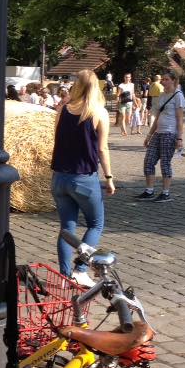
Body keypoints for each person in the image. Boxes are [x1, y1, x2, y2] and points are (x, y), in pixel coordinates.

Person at [51, 69, 115, 286]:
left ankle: (64, 275)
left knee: (67, 229)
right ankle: (80, 270)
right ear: (96, 86)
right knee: (96, 224)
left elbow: (57, 138)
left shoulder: (63, 109)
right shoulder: (99, 113)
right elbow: (102, 149)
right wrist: (109, 177)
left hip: (60, 177)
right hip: (84, 178)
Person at [137, 71, 185, 202]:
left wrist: (179, 138)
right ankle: (149, 191)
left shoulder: (178, 96)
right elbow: (158, 117)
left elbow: (180, 119)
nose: (163, 81)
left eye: (166, 79)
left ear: (173, 81)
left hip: (169, 133)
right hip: (158, 133)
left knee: (165, 163)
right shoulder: (162, 95)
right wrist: (149, 135)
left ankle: (165, 193)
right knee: (149, 161)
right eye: (162, 79)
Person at [116, 73, 134, 137]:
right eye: (126, 77)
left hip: (130, 103)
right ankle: (124, 131)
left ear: (130, 78)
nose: (127, 78)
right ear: (124, 78)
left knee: (128, 119)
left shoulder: (132, 85)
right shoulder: (121, 85)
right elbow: (118, 94)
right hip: (122, 102)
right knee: (123, 116)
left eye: (128, 77)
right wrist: (117, 101)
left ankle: (122, 128)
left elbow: (133, 94)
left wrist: (135, 103)